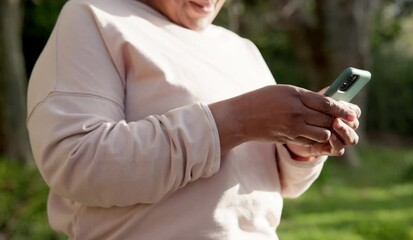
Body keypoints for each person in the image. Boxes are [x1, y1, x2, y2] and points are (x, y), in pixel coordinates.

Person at [26, 0, 361, 239]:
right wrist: (238, 120)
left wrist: (300, 148)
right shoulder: (94, 15)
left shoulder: (241, 48)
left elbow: (275, 183)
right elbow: (79, 163)